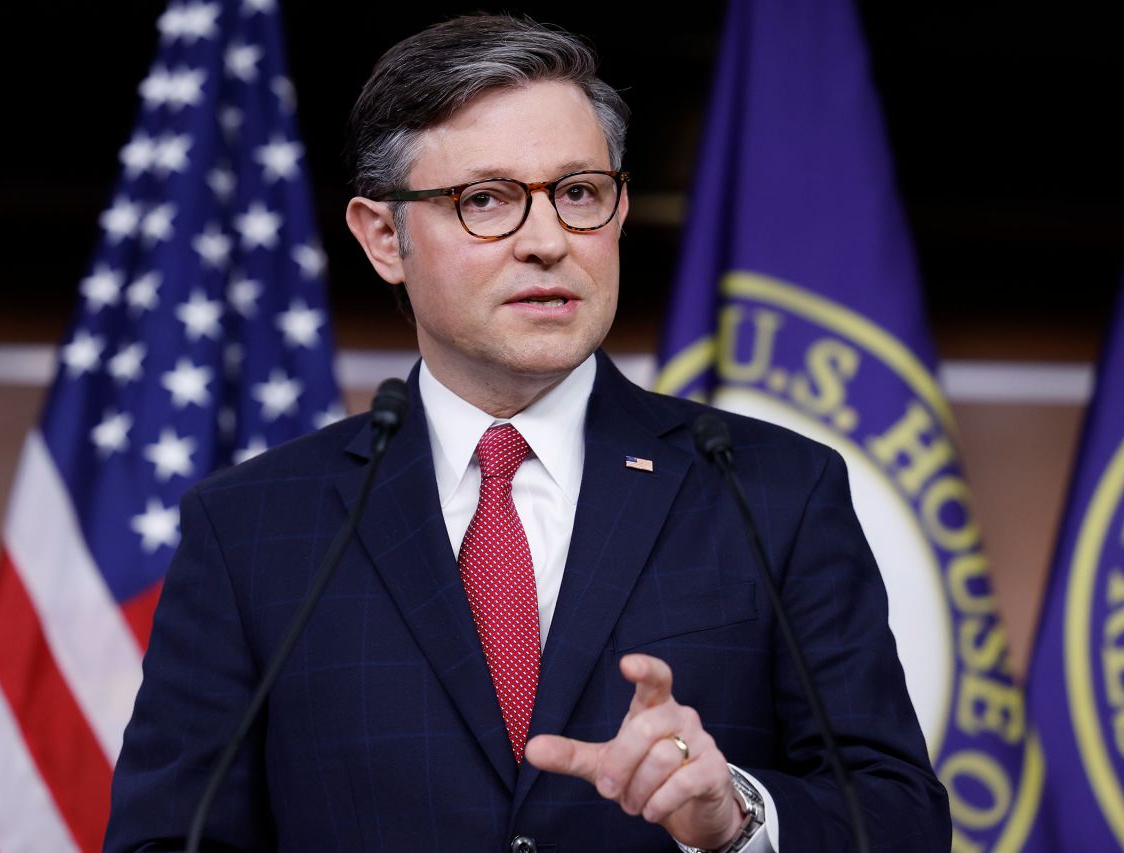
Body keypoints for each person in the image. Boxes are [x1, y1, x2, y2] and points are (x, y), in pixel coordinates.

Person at [106, 14, 949, 852]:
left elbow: (902, 819)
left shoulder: (770, 488)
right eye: (486, 201)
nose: (547, 242)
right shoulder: (252, 525)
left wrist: (739, 816)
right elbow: (165, 838)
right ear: (382, 238)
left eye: (579, 193)